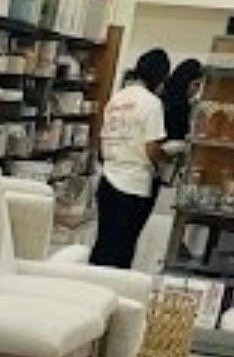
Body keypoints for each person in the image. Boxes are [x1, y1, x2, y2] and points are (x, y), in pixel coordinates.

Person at [91, 47, 170, 269]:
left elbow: (102, 138)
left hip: (108, 178)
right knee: (123, 246)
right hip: (134, 183)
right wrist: (165, 161)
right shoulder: (152, 103)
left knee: (104, 242)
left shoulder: (117, 99)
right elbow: (152, 147)